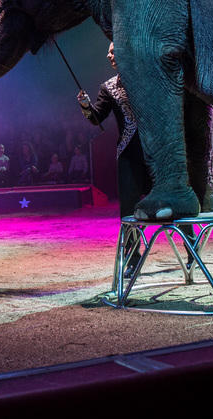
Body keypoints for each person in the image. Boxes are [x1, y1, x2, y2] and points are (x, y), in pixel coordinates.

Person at [78, 42, 194, 275]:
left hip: (159, 154)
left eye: (112, 50)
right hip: (129, 157)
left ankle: (191, 249)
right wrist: (85, 106)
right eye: (108, 51)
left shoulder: (150, 79)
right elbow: (96, 118)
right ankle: (132, 258)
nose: (108, 55)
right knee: (128, 211)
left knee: (174, 199)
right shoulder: (109, 87)